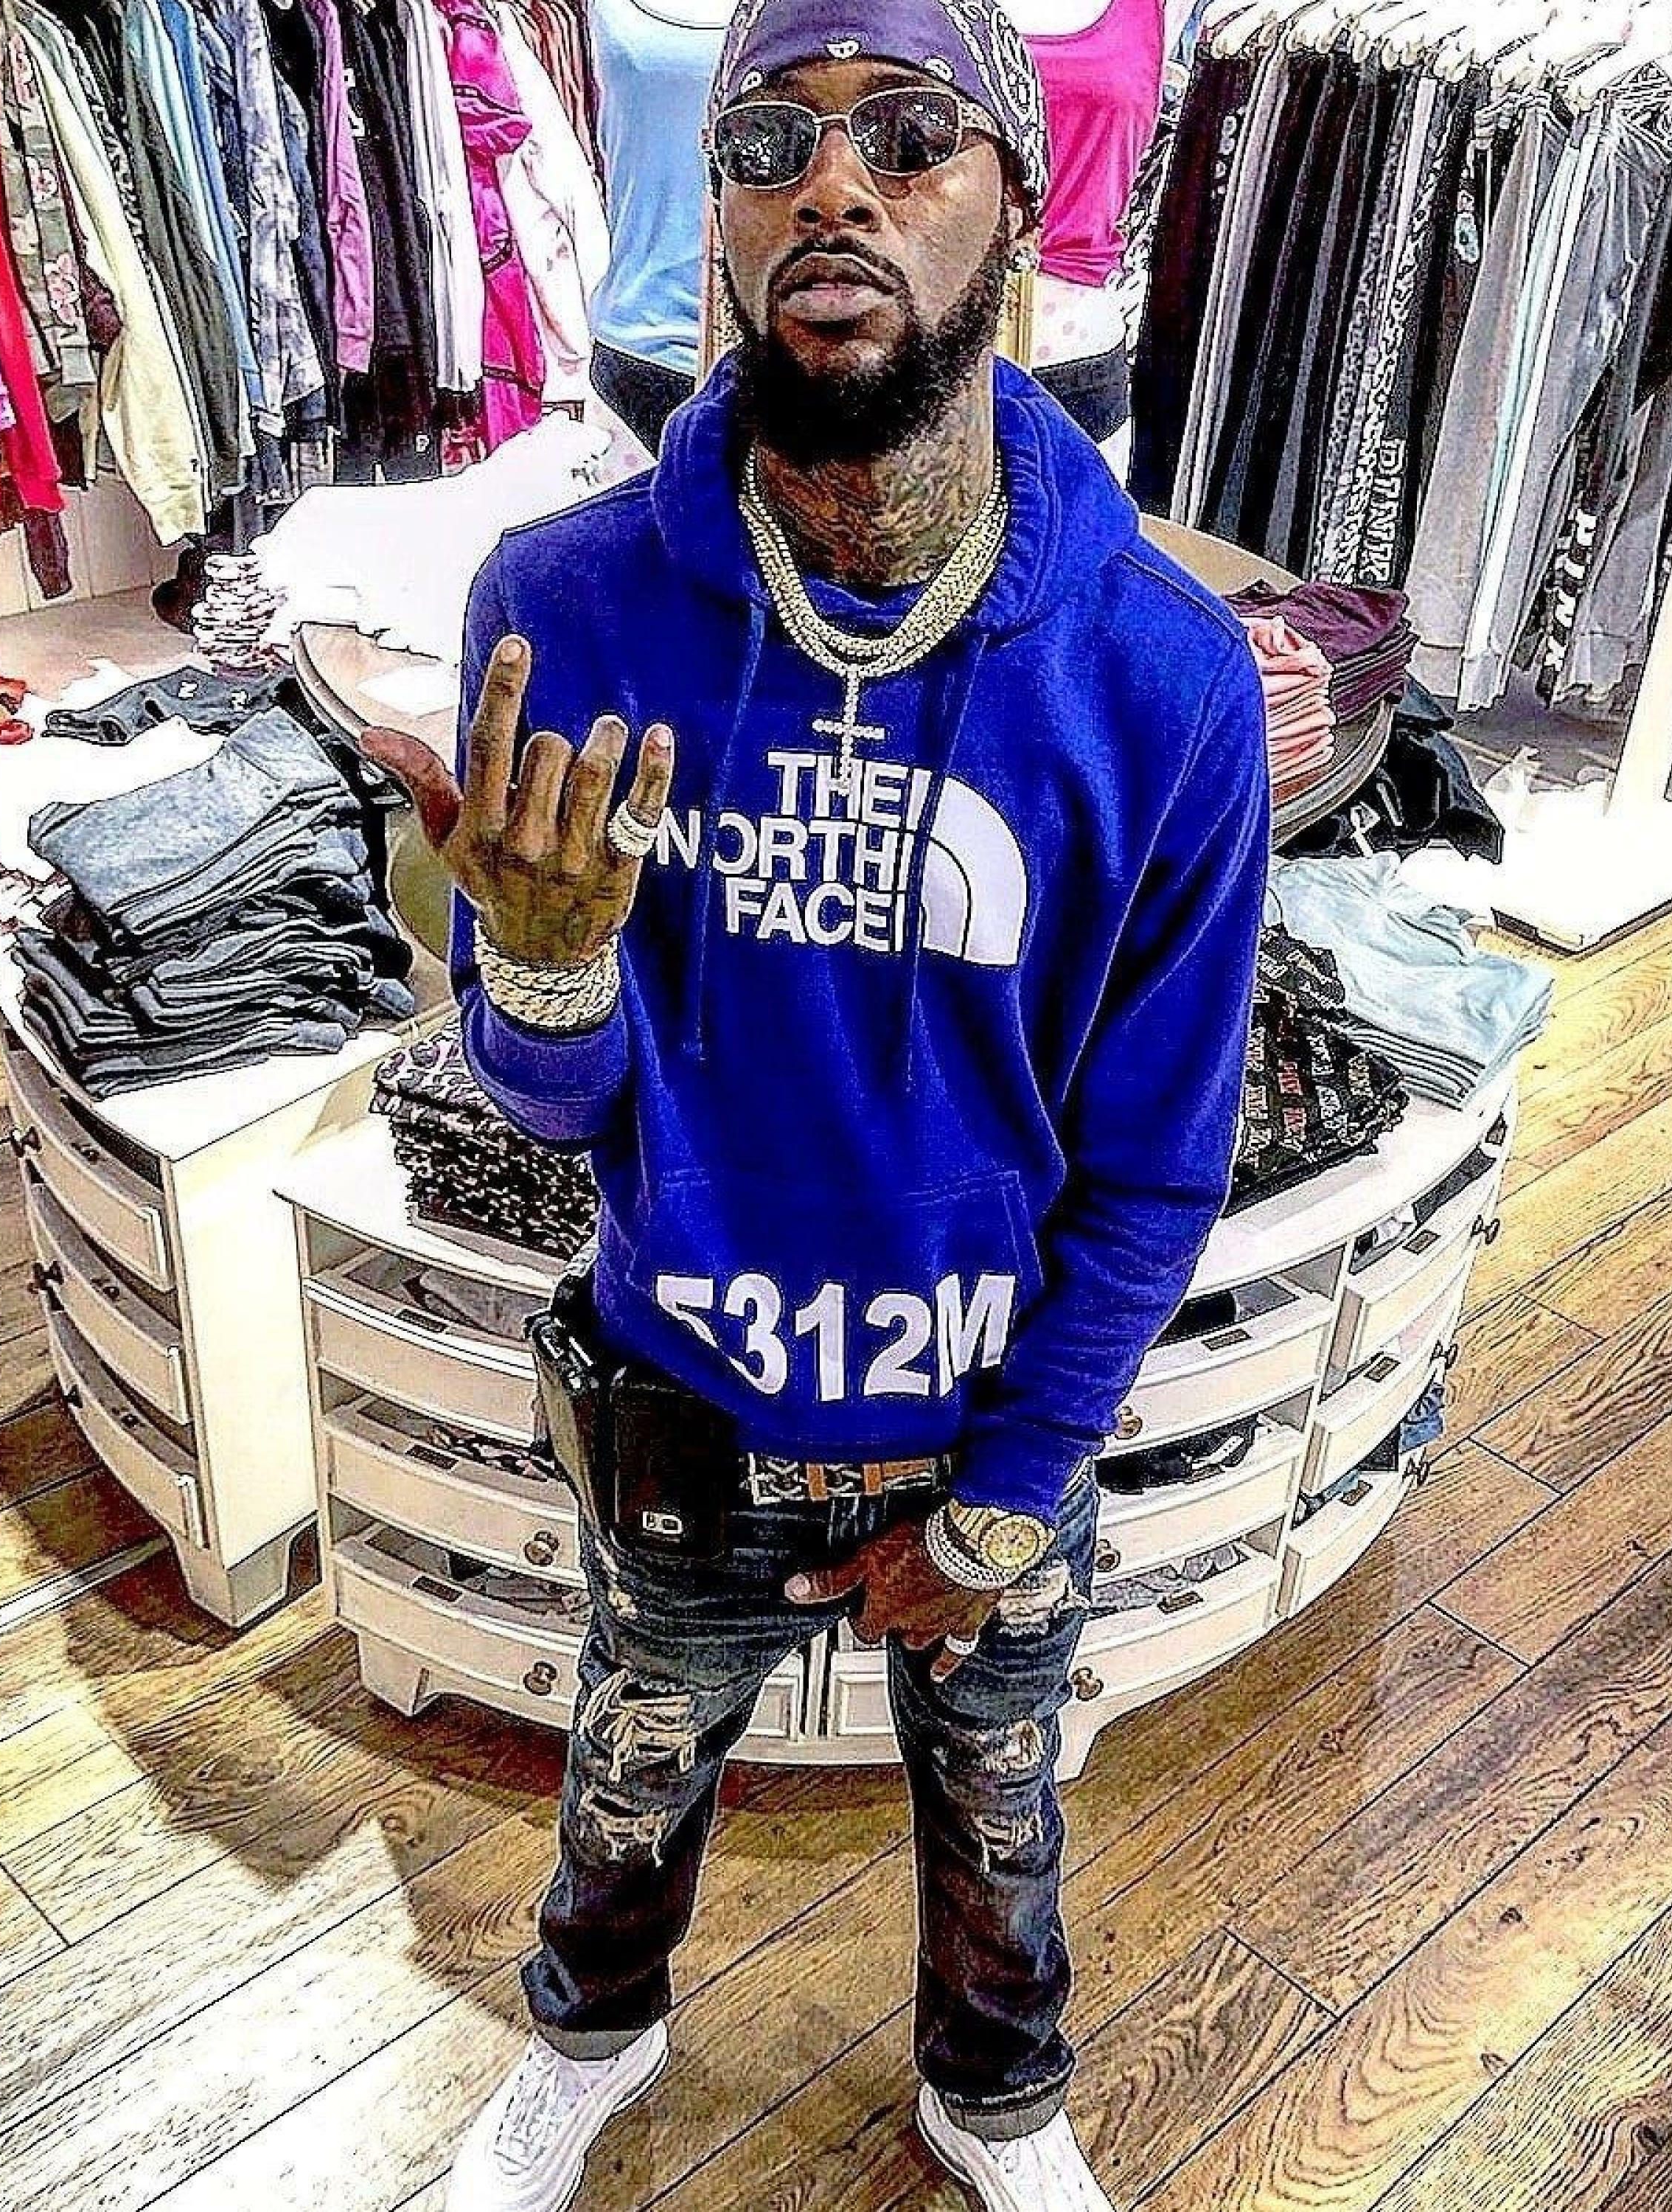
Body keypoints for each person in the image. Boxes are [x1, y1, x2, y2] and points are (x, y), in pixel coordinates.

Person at [363, 3, 1269, 2205]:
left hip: (981, 1421)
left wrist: (1017, 1488)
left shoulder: (1162, 678)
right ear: (719, 227)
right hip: (685, 1392)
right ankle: (588, 2043)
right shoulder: (565, 608)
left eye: (910, 137)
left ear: (1015, 214)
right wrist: (542, 971)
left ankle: (998, 2098)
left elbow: (1162, 1158)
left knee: (1005, 1817)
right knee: (626, 1782)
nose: (832, 184)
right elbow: (548, 1109)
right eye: (769, 141)